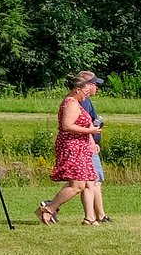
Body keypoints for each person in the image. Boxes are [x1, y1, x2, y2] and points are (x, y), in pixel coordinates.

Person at [38, 71, 102, 224]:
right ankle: (48, 209)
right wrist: (90, 131)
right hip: (72, 146)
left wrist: (91, 140)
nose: (87, 95)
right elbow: (67, 126)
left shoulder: (77, 102)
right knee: (77, 185)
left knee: (86, 182)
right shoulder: (71, 103)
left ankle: (89, 218)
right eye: (85, 92)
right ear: (77, 89)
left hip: (81, 147)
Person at [84, 75, 111, 223]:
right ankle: (50, 207)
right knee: (89, 181)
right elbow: (85, 125)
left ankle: (99, 215)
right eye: (94, 84)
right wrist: (91, 141)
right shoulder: (81, 102)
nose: (96, 87)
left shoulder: (86, 101)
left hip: (91, 144)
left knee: (90, 182)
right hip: (88, 146)